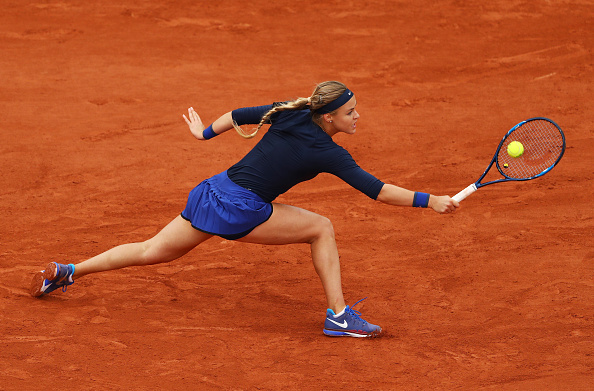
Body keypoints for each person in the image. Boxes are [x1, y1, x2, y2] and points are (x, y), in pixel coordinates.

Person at [30, 81, 458, 338]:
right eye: (349, 112)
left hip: (211, 190)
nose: (357, 116)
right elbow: (377, 191)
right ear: (328, 117)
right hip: (240, 208)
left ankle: (70, 270)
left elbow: (237, 114)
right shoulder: (327, 152)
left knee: (150, 251)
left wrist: (203, 136)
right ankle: (340, 317)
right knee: (321, 227)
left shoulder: (291, 111)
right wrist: (431, 200)